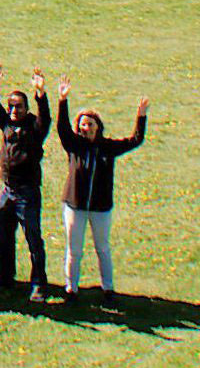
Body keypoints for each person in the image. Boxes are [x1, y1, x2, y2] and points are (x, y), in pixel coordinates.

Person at [56, 78, 149, 304]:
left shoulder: (108, 147)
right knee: (74, 250)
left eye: (90, 124)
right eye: (83, 125)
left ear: (98, 126)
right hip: (75, 207)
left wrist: (141, 116)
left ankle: (108, 289)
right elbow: (62, 129)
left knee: (103, 249)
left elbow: (135, 140)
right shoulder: (74, 145)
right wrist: (63, 100)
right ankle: (71, 289)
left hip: (100, 209)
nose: (86, 128)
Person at [0, 63, 52, 301]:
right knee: (4, 236)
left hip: (27, 193)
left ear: (26, 108)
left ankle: (39, 284)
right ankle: (5, 278)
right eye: (10, 106)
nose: (13, 110)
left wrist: (40, 93)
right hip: (8, 191)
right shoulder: (7, 124)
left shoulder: (35, 126)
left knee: (33, 238)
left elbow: (46, 118)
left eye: (18, 106)